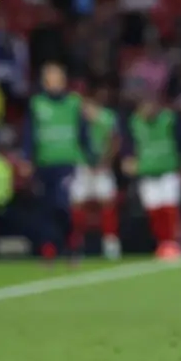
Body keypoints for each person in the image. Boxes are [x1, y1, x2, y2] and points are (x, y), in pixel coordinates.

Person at [23, 61, 88, 260]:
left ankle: (71, 241)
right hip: (44, 163)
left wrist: (91, 157)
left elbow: (83, 132)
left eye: (57, 78)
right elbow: (29, 133)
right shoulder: (37, 104)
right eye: (49, 79)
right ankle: (49, 247)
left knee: (63, 204)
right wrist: (27, 158)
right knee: (46, 206)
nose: (53, 83)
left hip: (68, 162)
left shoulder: (73, 103)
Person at [120, 91, 181, 260]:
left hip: (168, 171)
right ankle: (162, 243)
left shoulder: (169, 119)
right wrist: (127, 159)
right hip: (147, 173)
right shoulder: (134, 123)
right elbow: (128, 145)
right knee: (154, 211)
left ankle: (173, 243)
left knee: (170, 209)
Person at [69, 85, 122, 260]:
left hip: (102, 167)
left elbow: (114, 140)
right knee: (77, 203)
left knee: (107, 202)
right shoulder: (76, 120)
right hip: (82, 166)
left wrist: (105, 162)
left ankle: (111, 244)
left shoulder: (108, 117)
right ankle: (77, 244)